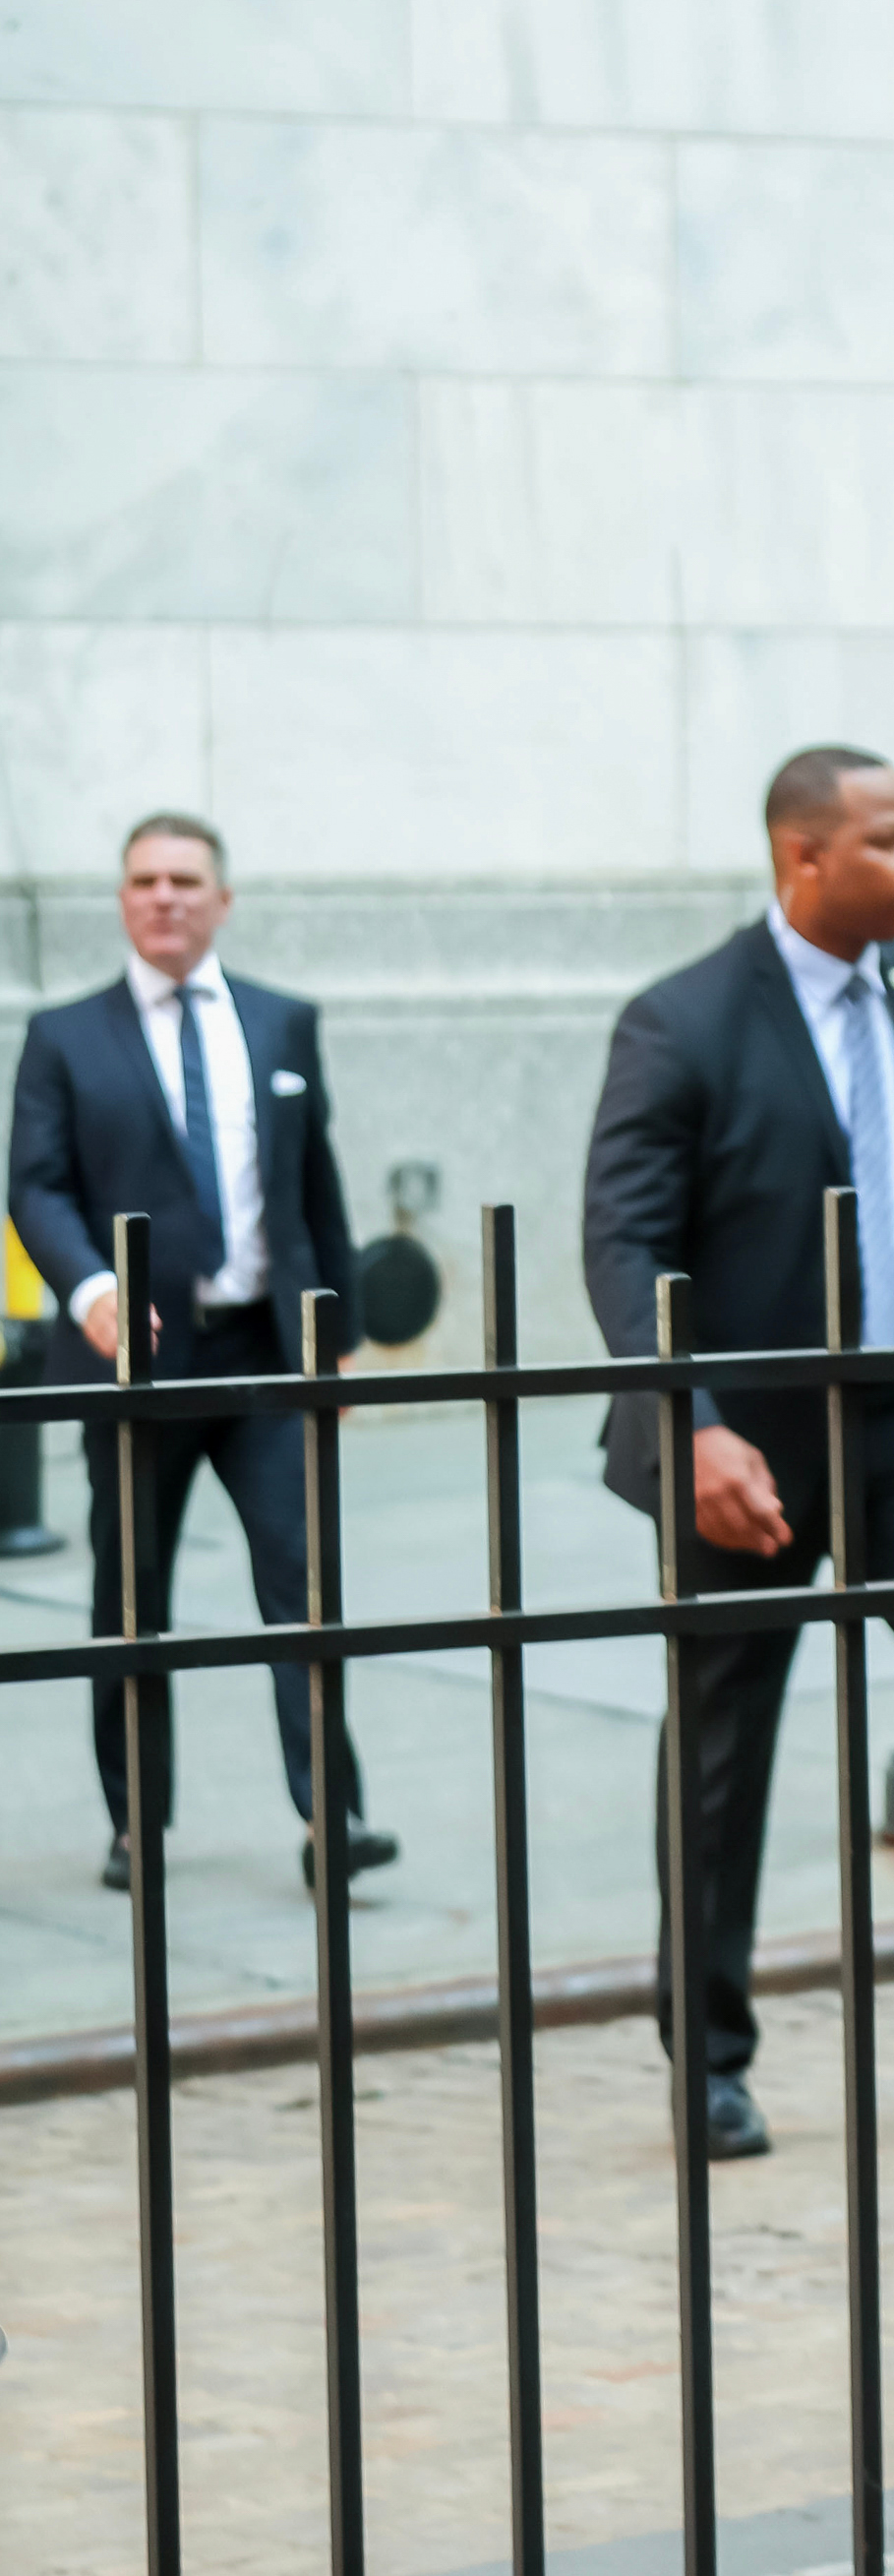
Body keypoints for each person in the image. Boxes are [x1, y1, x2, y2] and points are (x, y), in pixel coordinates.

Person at [582, 746, 894, 2159]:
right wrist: (693, 1423)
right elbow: (623, 1243)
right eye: (893, 840)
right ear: (805, 857)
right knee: (725, 1748)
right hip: (750, 1438)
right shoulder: (681, 1022)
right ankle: (709, 2058)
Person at [10, 813, 382, 1897]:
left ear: (222, 899)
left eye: (185, 879)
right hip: (134, 1367)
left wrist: (337, 1335)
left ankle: (334, 1817)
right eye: (143, 880)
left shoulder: (281, 1022)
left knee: (304, 1593)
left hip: (264, 1354)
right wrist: (90, 1287)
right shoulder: (64, 1036)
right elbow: (33, 1184)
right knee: (132, 1602)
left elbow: (317, 1185)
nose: (163, 896)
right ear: (122, 900)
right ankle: (139, 1824)